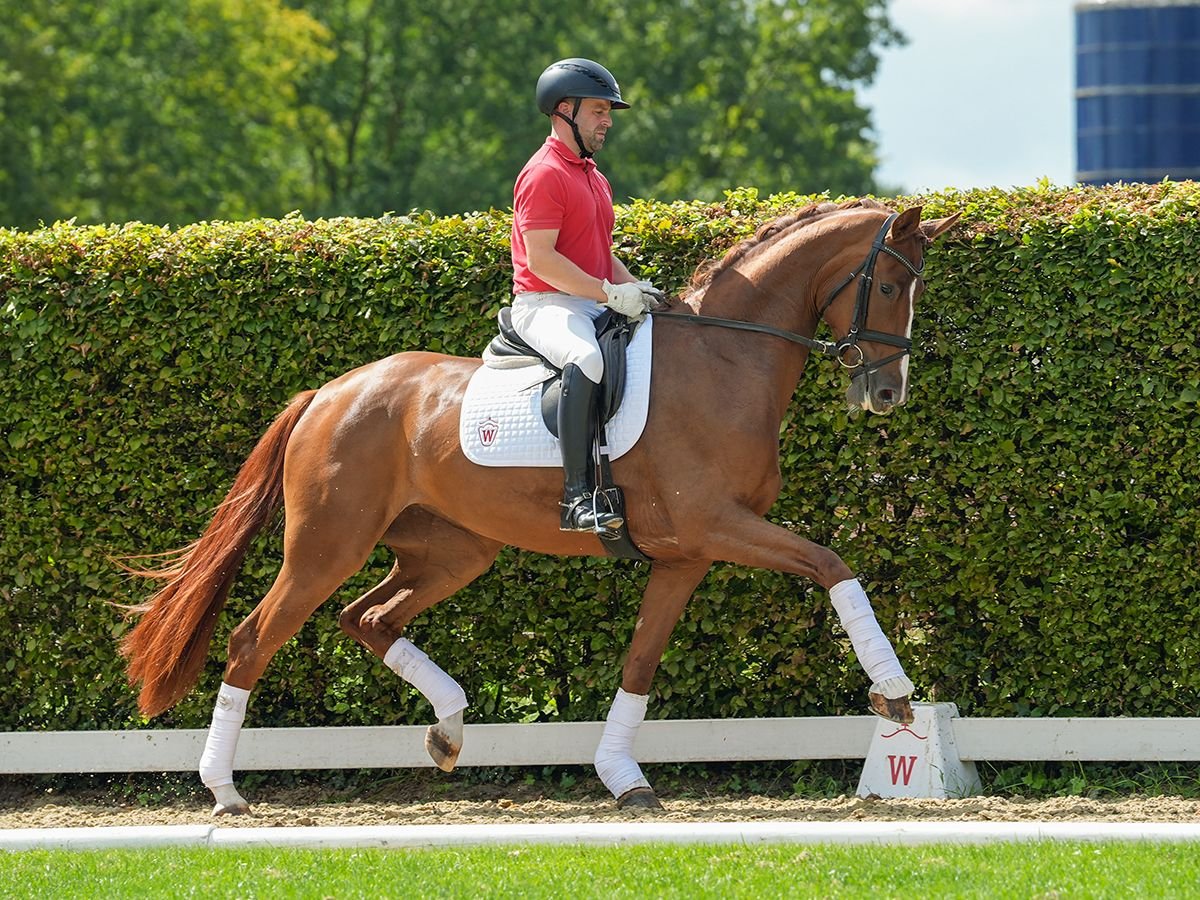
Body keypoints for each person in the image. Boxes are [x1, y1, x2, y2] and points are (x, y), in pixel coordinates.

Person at [510, 58, 663, 535]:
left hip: (589, 299)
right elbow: (543, 261)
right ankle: (577, 498)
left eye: (608, 111)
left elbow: (600, 253)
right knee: (586, 357)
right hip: (545, 305)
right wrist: (608, 294)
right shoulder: (543, 174)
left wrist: (635, 288)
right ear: (565, 110)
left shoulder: (593, 176)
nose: (608, 121)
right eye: (599, 110)